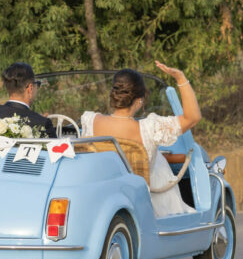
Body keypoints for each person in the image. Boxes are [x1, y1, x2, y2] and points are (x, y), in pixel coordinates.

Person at [80, 62, 200, 217]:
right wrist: (180, 77)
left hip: (99, 197)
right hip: (137, 199)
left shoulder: (90, 121)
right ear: (138, 101)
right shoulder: (150, 128)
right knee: (159, 166)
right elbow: (193, 117)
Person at [0, 62, 56, 138]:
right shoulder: (42, 123)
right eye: (37, 84)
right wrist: (40, 119)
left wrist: (38, 118)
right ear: (30, 88)